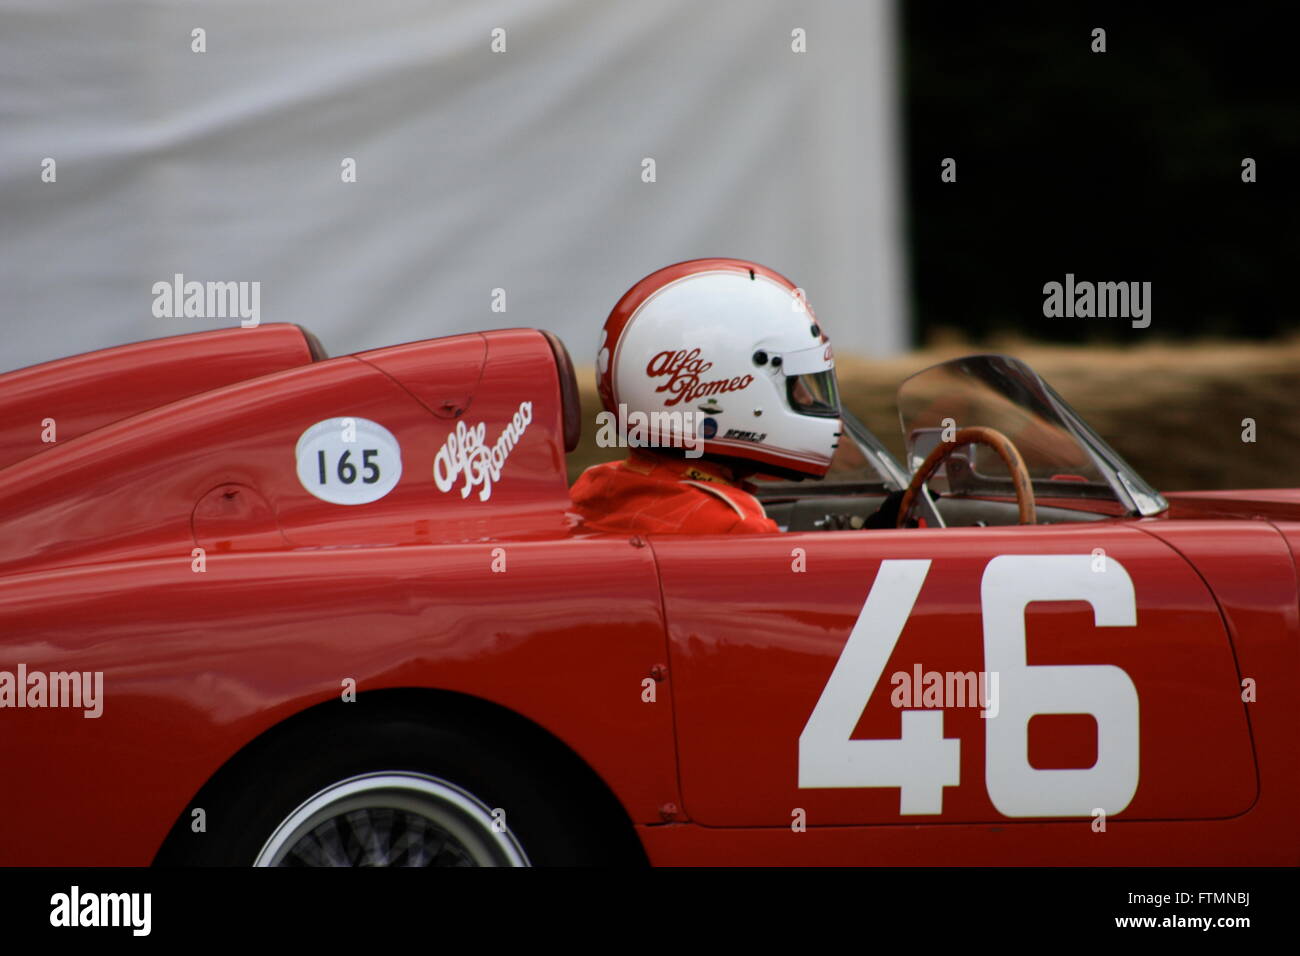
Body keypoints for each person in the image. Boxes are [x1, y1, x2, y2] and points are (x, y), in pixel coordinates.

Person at [570, 258, 841, 534]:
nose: (808, 399)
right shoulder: (733, 527)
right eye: (795, 385)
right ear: (728, 385)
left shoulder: (597, 486)